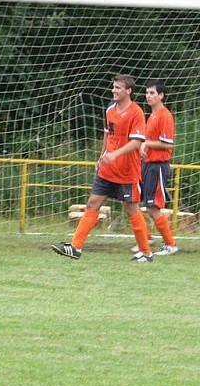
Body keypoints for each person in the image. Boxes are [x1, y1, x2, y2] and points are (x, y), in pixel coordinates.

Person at [52, 74, 152, 262]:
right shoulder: (110, 110)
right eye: (113, 87)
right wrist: (103, 155)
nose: (114, 90)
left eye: (118, 88)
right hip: (107, 170)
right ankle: (75, 247)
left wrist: (115, 154)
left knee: (131, 210)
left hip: (127, 172)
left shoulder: (136, 112)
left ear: (128, 91)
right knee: (92, 204)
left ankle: (146, 252)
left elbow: (137, 141)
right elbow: (108, 134)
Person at [139, 79, 178, 256]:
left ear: (161, 95)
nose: (149, 96)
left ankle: (170, 244)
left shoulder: (165, 115)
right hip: (148, 165)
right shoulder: (152, 116)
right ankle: (148, 238)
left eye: (152, 93)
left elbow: (167, 144)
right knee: (146, 205)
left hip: (158, 166)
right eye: (147, 93)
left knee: (154, 206)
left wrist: (146, 143)